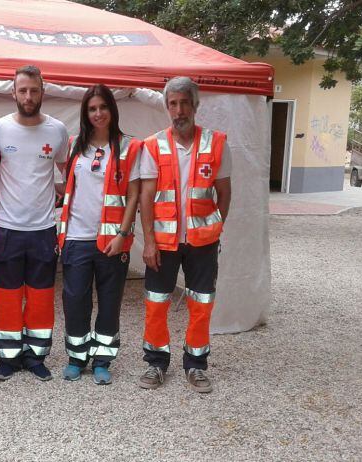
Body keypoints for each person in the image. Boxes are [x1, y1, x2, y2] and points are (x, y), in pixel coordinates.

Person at [138, 76, 232, 393]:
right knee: (156, 303)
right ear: (167, 107)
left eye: (184, 103)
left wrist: (214, 228)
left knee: (201, 304)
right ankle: (155, 363)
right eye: (173, 104)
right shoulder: (152, 145)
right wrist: (149, 241)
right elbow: (146, 199)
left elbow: (224, 193)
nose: (179, 110)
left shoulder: (217, 143)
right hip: (163, 245)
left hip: (203, 243)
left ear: (195, 105)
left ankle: (196, 365)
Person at [57, 84, 142, 385]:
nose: (98, 113)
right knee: (75, 299)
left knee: (109, 301)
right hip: (76, 237)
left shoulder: (129, 146)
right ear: (85, 113)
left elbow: (134, 196)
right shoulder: (73, 145)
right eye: (92, 109)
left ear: (112, 110)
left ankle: (103, 358)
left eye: (103, 107)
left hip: (112, 241)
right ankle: (77, 356)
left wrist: (122, 234)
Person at [0, 65, 68, 381]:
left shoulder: (57, 130)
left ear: (43, 92)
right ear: (13, 93)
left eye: (34, 90)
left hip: (43, 228)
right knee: (6, 295)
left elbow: (67, 171)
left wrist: (62, 195)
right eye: (22, 90)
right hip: (7, 227)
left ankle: (36, 355)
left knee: (40, 296)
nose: (28, 96)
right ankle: (8, 356)